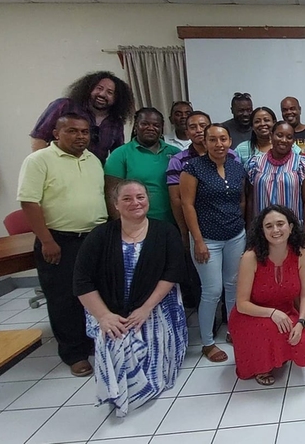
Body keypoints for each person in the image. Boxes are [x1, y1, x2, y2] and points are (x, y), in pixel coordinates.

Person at [73, 180, 187, 417]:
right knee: (115, 339)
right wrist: (104, 316)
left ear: (148, 200)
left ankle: (144, 389)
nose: (135, 202)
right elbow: (82, 281)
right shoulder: (99, 236)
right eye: (127, 199)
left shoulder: (166, 232)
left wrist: (145, 308)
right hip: (108, 308)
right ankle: (120, 393)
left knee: (148, 351)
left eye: (140, 197)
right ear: (115, 205)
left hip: (155, 306)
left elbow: (173, 273)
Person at [17, 113, 107, 376]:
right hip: (60, 240)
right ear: (56, 133)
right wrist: (46, 240)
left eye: (84, 132)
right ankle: (74, 353)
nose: (80, 136)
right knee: (64, 298)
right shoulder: (39, 160)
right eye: (72, 131)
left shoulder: (93, 160)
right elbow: (29, 202)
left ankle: (93, 342)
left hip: (94, 237)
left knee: (96, 293)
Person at [180, 124, 248, 363]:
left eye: (223, 139)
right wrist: (197, 240)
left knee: (233, 285)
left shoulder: (236, 167)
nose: (218, 144)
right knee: (211, 291)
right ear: (205, 142)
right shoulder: (193, 168)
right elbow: (186, 205)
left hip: (235, 235)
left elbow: (241, 200)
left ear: (230, 141)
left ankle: (233, 329)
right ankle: (207, 342)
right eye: (212, 140)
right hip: (206, 238)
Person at [229, 205, 305, 386]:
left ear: (290, 228)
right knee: (270, 329)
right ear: (262, 231)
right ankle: (261, 366)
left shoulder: (301, 254)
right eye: (269, 226)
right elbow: (242, 304)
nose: (275, 230)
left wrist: (301, 321)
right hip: (251, 315)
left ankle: (277, 355)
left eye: (280, 224)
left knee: (300, 336)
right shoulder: (251, 257)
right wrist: (272, 313)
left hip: (286, 312)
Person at [30, 71, 135, 163]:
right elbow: (39, 137)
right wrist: (43, 165)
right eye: (99, 88)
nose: (102, 94)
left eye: (110, 92)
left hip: (92, 174)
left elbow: (117, 154)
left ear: (117, 99)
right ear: (89, 89)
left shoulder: (116, 122)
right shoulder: (64, 105)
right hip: (59, 169)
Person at [166, 110, 214, 308]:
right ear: (186, 131)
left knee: (229, 280)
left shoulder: (228, 155)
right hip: (196, 228)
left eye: (203, 125)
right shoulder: (178, 160)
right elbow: (177, 200)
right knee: (201, 281)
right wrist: (185, 232)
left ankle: (230, 320)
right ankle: (207, 325)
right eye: (193, 127)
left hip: (226, 226)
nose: (199, 130)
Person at [104, 108, 180, 223]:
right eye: (145, 124)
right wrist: (121, 225)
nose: (150, 128)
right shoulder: (120, 154)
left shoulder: (175, 153)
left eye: (156, 125)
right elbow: (111, 194)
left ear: (161, 128)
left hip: (172, 223)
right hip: (135, 224)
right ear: (135, 126)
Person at [246, 121, 305, 228]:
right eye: (279, 135)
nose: (284, 140)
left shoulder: (301, 164)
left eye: (289, 137)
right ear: (271, 136)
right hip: (262, 230)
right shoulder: (255, 163)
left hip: (292, 230)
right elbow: (250, 200)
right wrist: (250, 230)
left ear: (293, 141)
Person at [234, 107, 300, 163]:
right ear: (252, 126)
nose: (262, 124)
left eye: (266, 120)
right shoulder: (241, 149)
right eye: (257, 121)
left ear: (274, 123)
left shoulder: (287, 144)